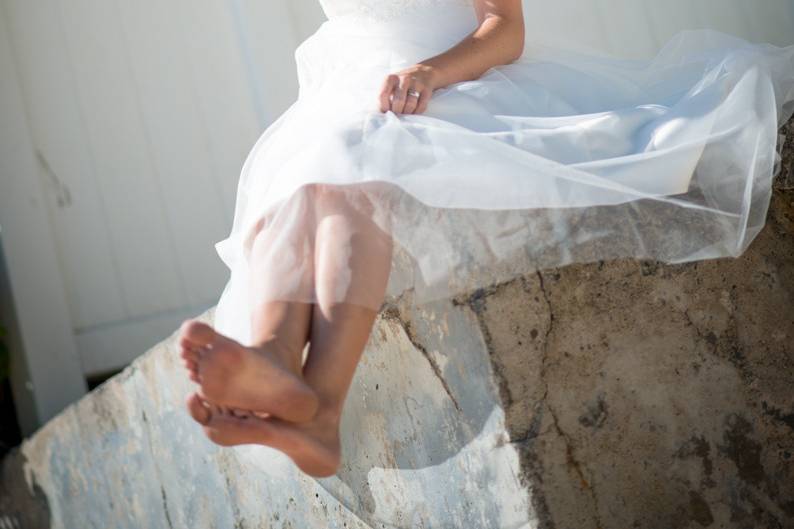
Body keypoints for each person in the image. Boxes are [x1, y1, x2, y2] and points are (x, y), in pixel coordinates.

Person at [178, 0, 794, 478]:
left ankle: (321, 407)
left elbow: (504, 26)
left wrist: (429, 72)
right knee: (298, 186)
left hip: (454, 80)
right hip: (352, 96)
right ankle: (274, 359)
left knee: (349, 169)